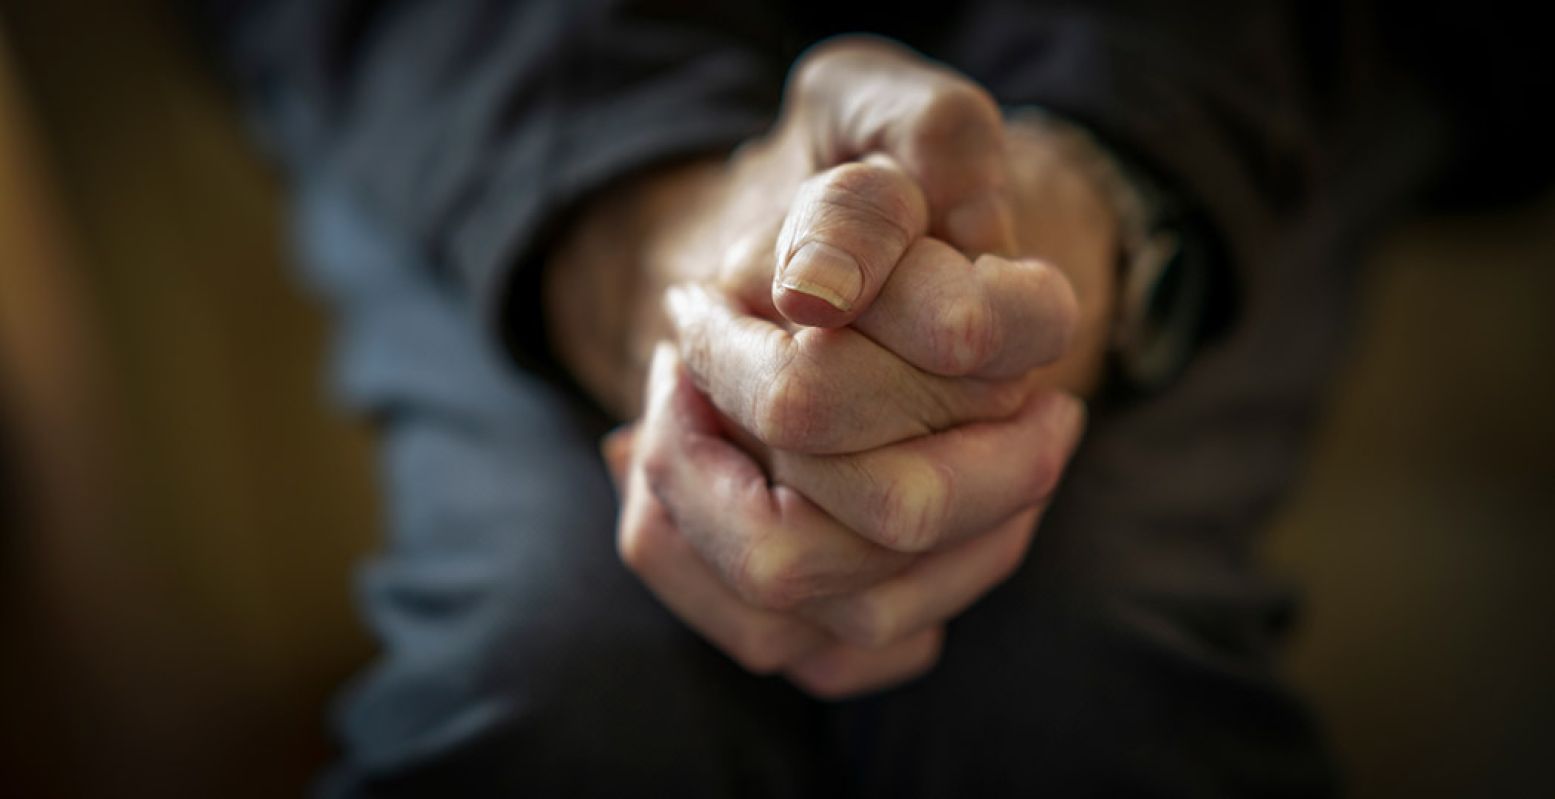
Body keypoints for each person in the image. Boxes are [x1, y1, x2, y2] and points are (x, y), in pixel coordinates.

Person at [210, 0, 1551, 795]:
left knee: (1079, 675)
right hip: (509, 81)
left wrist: (1096, 185)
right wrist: (644, 229)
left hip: (1220, 67)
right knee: (557, 679)